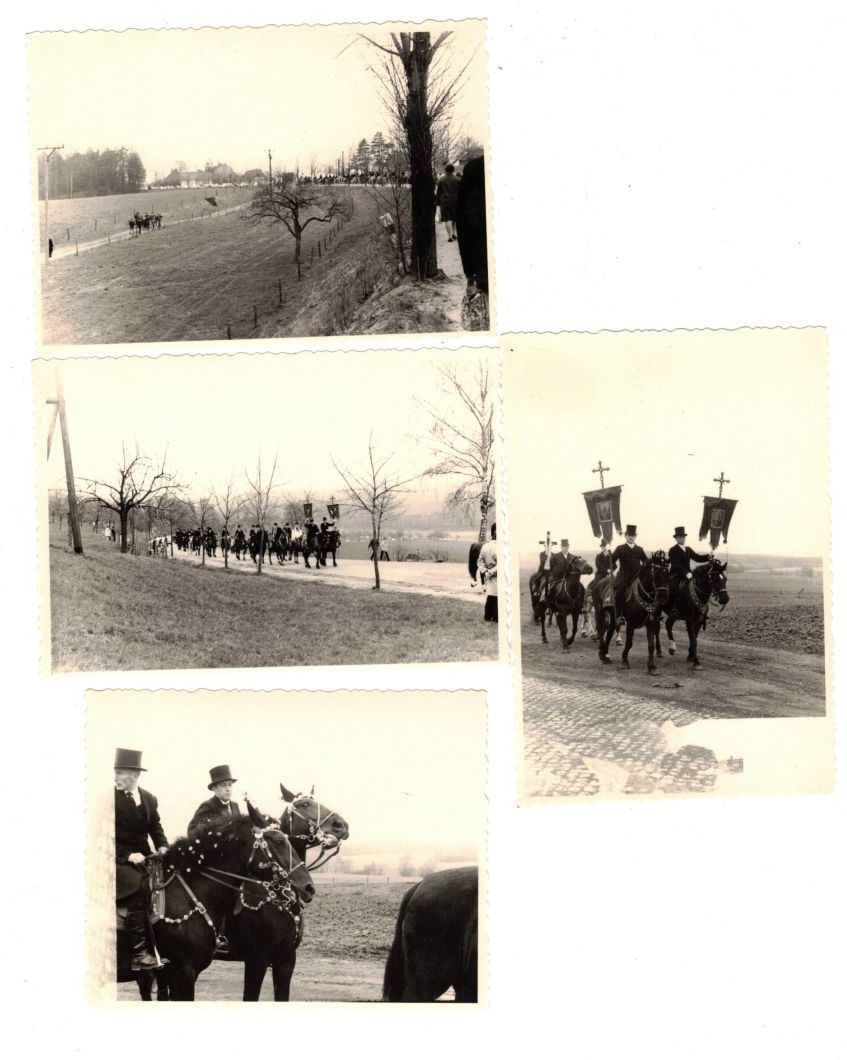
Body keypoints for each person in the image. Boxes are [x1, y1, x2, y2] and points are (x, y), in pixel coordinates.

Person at [114, 748, 169, 971]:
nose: (116, 777)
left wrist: (163, 846)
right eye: (115, 772)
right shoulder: (109, 799)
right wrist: (127, 855)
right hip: (116, 859)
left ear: (135, 775)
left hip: (144, 857)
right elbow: (103, 835)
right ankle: (139, 953)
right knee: (139, 885)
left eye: (120, 772)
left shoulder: (149, 798)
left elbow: (155, 827)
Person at [187, 765, 243, 838]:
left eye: (230, 785)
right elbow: (192, 831)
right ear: (214, 788)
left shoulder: (235, 805)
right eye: (223, 785)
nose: (228, 789)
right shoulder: (208, 806)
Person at [667, 527, 713, 611]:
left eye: (683, 537)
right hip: (676, 575)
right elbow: (676, 564)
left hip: (688, 574)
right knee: (676, 588)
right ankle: (675, 608)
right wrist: (685, 573)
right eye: (679, 537)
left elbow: (697, 557)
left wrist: (708, 556)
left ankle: (700, 607)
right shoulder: (673, 550)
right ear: (676, 538)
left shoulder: (688, 549)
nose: (682, 539)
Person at [611, 525, 648, 619]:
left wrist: (644, 568)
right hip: (624, 575)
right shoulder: (620, 548)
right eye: (629, 535)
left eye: (633, 535)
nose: (631, 537)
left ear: (635, 537)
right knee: (619, 592)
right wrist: (609, 555)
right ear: (625, 536)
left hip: (637, 575)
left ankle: (651, 613)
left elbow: (645, 561)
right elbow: (611, 560)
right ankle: (620, 615)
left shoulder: (639, 549)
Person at [478, 522, 498, 622]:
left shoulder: (485, 546)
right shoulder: (500, 547)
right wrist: (491, 572)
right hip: (496, 576)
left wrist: (485, 571)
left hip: (488, 576)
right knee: (495, 597)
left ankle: (487, 616)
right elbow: (501, 564)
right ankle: (494, 617)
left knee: (490, 595)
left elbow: (480, 561)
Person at [435, 163, 461, 241]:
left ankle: (449, 237)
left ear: (445, 170)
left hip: (445, 201)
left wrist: (437, 202)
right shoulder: (458, 179)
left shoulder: (441, 180)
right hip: (455, 200)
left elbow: (438, 192)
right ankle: (454, 234)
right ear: (453, 169)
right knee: (455, 218)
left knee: (447, 219)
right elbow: (461, 192)